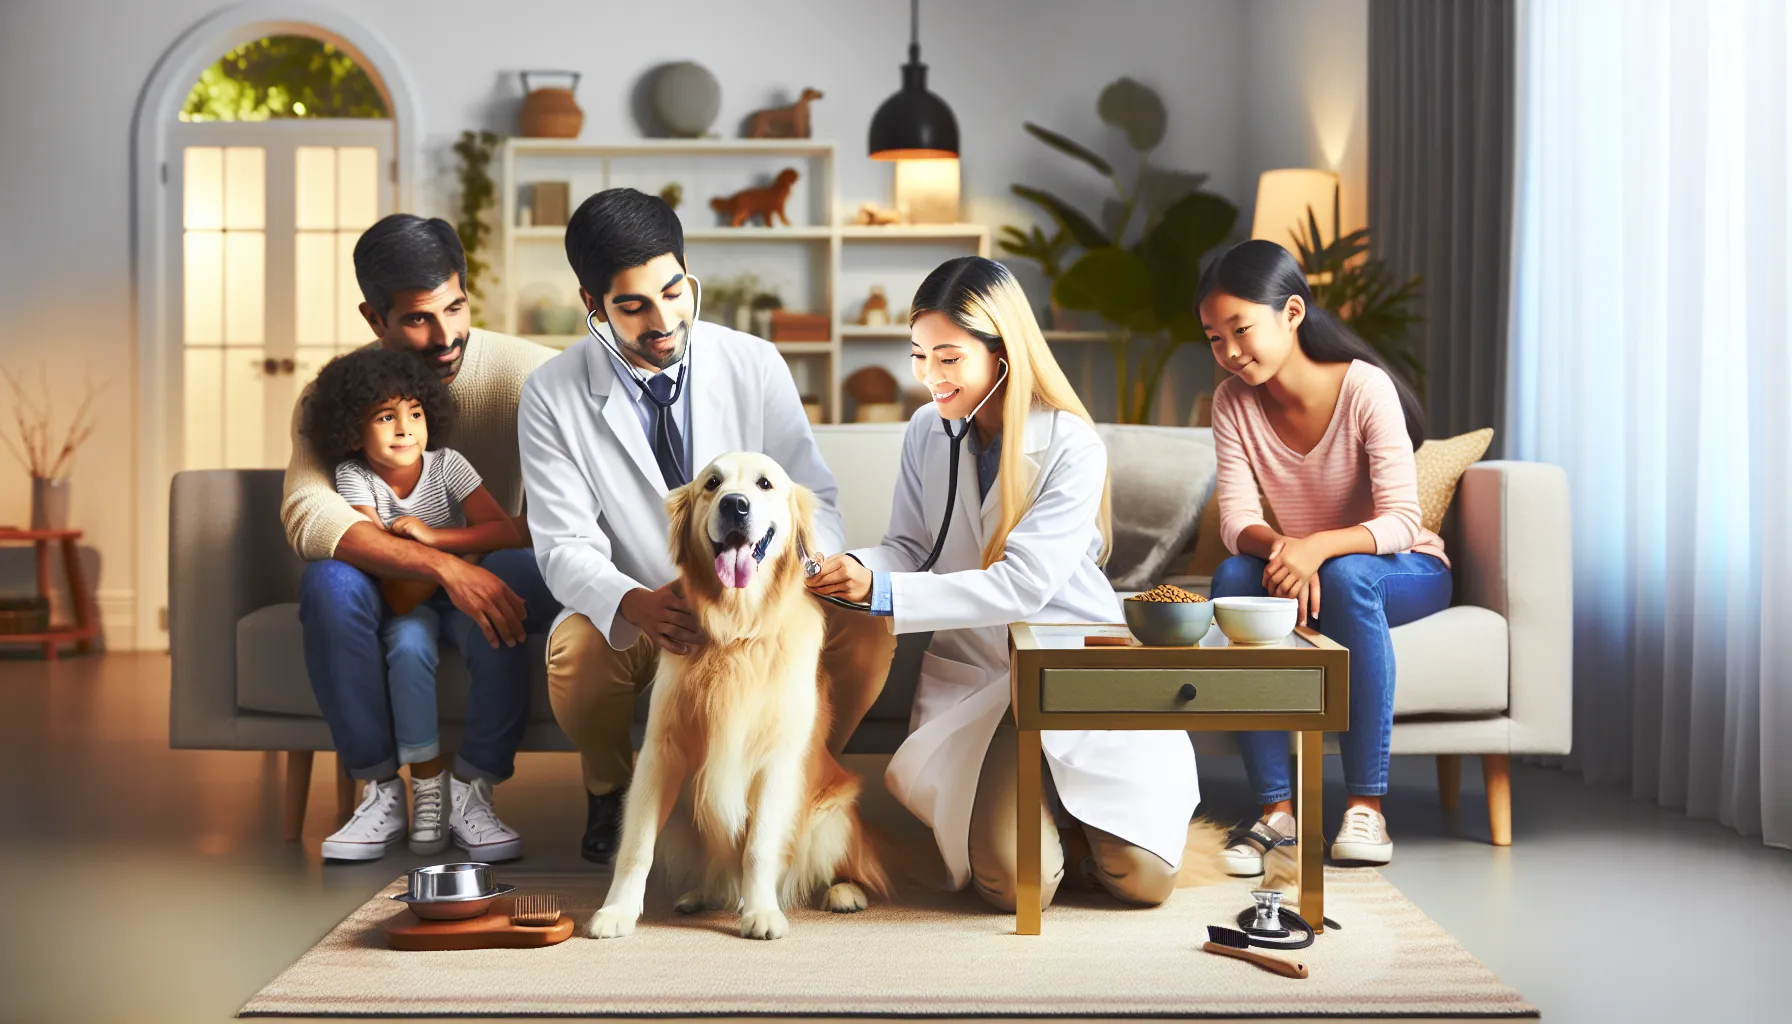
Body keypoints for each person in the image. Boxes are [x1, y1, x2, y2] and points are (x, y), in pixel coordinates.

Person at [804, 256, 1198, 911]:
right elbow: (912, 548)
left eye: (949, 358)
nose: (929, 376)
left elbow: (1024, 585)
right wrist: (849, 567)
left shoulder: (1072, 445)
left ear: (1003, 355)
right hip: (983, 682)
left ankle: (1069, 820)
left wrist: (884, 593)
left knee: (1143, 882)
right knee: (1014, 888)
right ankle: (1050, 823)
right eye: (919, 355)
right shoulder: (927, 431)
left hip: (1071, 670)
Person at [518, 188, 897, 865]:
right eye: (633, 306)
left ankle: (795, 773)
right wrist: (633, 602)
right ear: (592, 305)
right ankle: (611, 789)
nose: (663, 321)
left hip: (757, 597)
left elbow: (812, 495)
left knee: (867, 625)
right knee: (576, 653)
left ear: (688, 275)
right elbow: (563, 544)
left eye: (674, 293)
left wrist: (808, 567)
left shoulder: (754, 362)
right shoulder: (552, 393)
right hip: (647, 602)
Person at [282, 214, 560, 862]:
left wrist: (461, 553)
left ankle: (474, 789)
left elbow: (571, 507)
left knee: (514, 571)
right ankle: (379, 789)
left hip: (495, 566)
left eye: (455, 307)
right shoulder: (334, 397)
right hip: (390, 588)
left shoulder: (533, 374)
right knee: (327, 582)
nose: (445, 336)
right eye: (417, 319)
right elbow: (308, 513)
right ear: (373, 318)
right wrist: (444, 566)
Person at [1198, 239, 1451, 871]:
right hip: (1311, 567)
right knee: (1233, 576)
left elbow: (1402, 521)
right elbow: (1237, 523)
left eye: (1241, 329)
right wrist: (1287, 549)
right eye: (1214, 338)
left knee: (1344, 576)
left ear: (1291, 313)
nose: (1230, 352)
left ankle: (1366, 806)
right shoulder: (1231, 402)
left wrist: (1316, 548)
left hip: (1404, 567)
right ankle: (1276, 813)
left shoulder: (1365, 387)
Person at [299, 346, 531, 856]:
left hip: (454, 594)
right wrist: (447, 559)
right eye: (386, 417)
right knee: (407, 648)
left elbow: (510, 531)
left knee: (498, 624)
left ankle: (472, 791)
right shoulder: (354, 476)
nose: (405, 429)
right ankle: (423, 786)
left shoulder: (448, 465)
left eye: (415, 413)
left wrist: (436, 538)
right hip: (403, 598)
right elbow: (389, 576)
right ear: (352, 431)